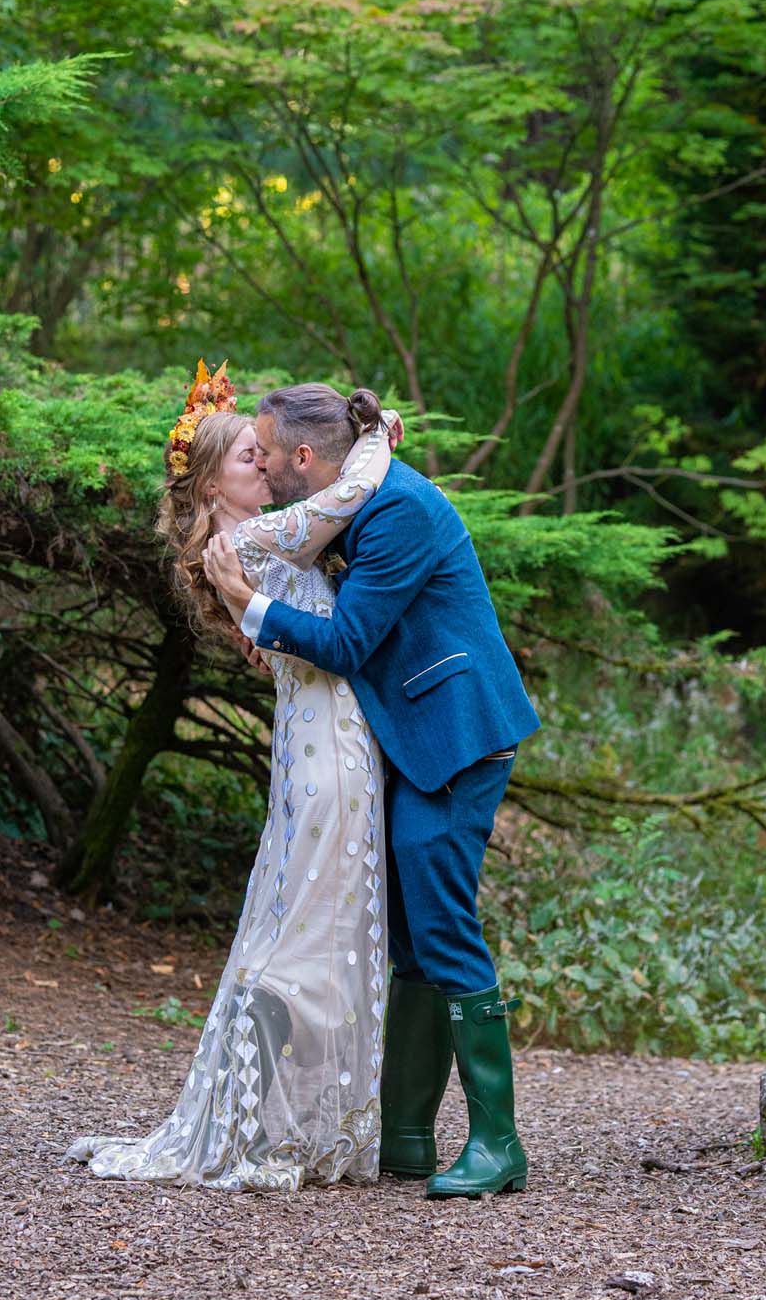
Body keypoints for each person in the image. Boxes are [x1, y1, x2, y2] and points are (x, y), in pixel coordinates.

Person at [204, 382, 540, 1199]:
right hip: (417, 733)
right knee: (412, 935)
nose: (262, 467)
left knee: (442, 924)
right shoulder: (351, 495)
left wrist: (250, 605)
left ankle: (498, 1143)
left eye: (267, 454)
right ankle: (408, 1137)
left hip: (456, 732)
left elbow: (350, 641)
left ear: (304, 457)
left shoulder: (395, 512)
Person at [65, 361, 395, 1192]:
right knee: (302, 941)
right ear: (213, 483)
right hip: (328, 752)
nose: (272, 465)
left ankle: (266, 1122)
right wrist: (375, 433)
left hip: (317, 746)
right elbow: (351, 491)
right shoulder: (256, 539)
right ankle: (260, 1128)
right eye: (253, 456)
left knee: (303, 933)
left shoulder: (256, 542)